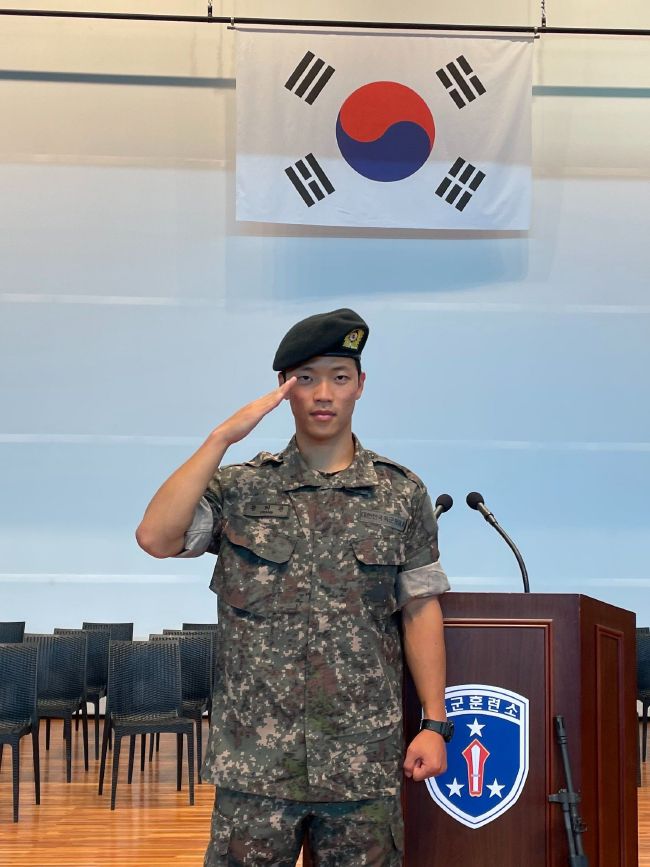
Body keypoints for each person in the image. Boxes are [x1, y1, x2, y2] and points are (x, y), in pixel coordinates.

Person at [136, 308, 451, 866]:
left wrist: (433, 724)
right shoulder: (240, 490)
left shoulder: (401, 494)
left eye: (339, 376)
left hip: (361, 765)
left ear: (360, 386)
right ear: (285, 390)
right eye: (305, 378)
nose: (323, 393)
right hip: (255, 765)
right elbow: (157, 538)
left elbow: (419, 609)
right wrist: (219, 439)